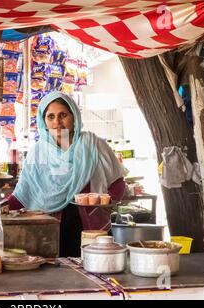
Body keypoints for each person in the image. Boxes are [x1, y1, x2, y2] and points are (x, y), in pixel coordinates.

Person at [7, 91, 126, 257]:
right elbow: (23, 194)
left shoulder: (93, 145)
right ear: (44, 121)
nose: (57, 122)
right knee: (56, 278)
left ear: (74, 116)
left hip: (91, 229)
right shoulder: (38, 152)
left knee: (93, 277)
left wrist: (104, 201)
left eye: (63, 115)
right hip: (50, 230)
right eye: (51, 117)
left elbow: (118, 183)